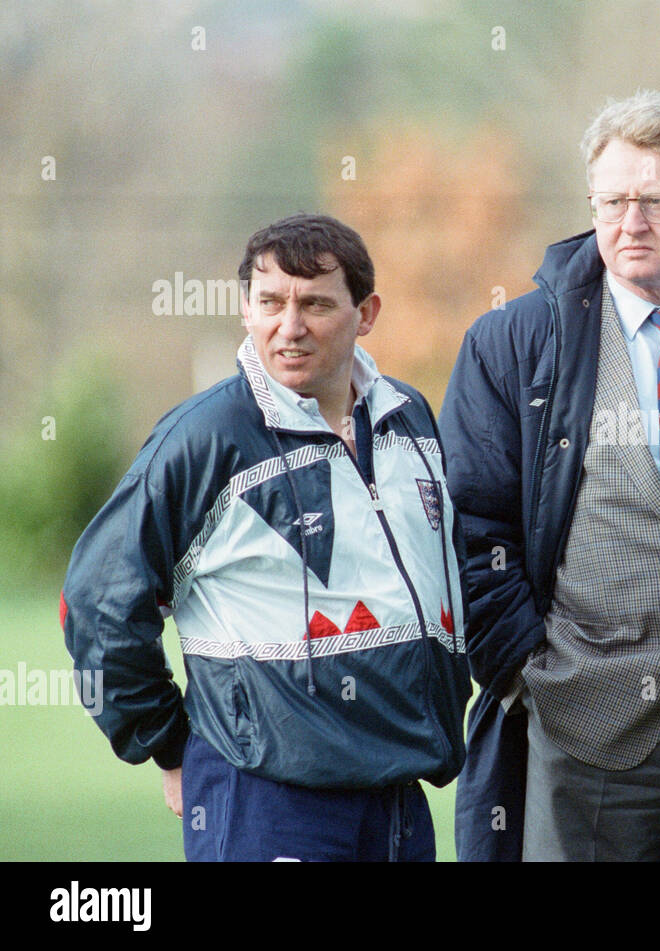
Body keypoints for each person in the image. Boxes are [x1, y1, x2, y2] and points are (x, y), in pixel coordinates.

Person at [442, 90, 660, 861]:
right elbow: (471, 527)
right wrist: (527, 674)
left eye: (655, 202)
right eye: (611, 201)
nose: (628, 223)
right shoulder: (515, 343)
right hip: (588, 713)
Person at [61, 214, 471, 861]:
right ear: (246, 309)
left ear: (366, 312)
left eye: (314, 303)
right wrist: (165, 742)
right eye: (269, 301)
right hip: (265, 799)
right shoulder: (204, 437)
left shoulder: (409, 417)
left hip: (397, 792)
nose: (290, 325)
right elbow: (97, 599)